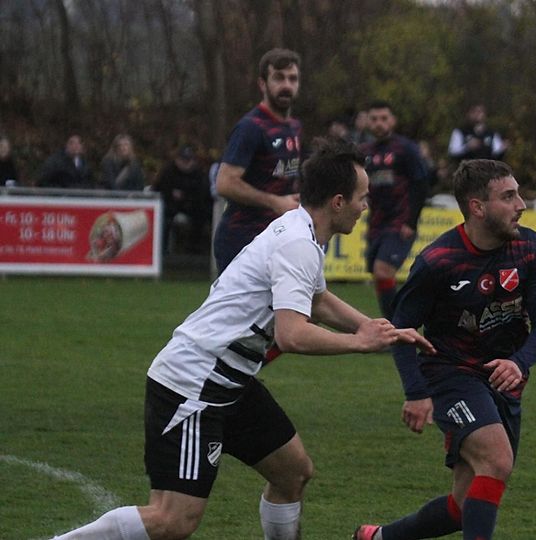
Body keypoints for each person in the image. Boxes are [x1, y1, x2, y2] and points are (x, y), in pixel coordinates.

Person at [53, 138, 435, 540]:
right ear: (338, 201)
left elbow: (318, 300)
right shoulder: (297, 243)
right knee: (172, 520)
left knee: (293, 473)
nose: (366, 206)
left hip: (229, 384)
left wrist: (375, 329)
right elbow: (292, 335)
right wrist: (361, 343)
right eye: (361, 198)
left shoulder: (304, 233)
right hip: (192, 385)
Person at [353, 159, 536, 540]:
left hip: (502, 380)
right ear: (477, 207)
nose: (522, 204)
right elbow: (401, 329)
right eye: (508, 196)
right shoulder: (438, 262)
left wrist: (519, 362)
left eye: (518, 193)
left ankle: (377, 538)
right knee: (496, 460)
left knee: (463, 506)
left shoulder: (530, 248)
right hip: (451, 374)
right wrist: (416, 393)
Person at [213, 48, 303, 274]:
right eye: (279, 78)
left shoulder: (293, 127)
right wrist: (275, 202)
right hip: (242, 238)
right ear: (262, 84)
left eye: (292, 79)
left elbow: (282, 177)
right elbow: (225, 183)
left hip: (275, 238)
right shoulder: (251, 127)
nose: (287, 85)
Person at [359, 100, 430, 320]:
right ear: (367, 122)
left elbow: (421, 183)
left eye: (383, 118)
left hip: (399, 222)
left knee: (383, 271)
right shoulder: (365, 152)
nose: (379, 123)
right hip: (376, 223)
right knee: (379, 275)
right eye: (374, 119)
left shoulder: (406, 149)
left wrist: (411, 221)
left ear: (393, 121)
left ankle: (396, 328)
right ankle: (393, 329)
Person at [152, 144, 214, 254]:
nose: (186, 163)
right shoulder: (168, 171)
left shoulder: (198, 173)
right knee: (163, 217)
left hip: (191, 206)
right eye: (183, 160)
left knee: (201, 216)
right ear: (177, 159)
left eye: (189, 160)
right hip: (170, 206)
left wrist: (187, 197)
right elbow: (157, 190)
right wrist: (171, 194)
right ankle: (162, 252)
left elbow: (203, 194)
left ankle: (194, 252)